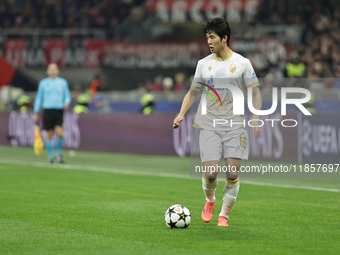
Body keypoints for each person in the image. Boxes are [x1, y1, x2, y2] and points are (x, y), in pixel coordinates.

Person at [173, 18, 262, 227]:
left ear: (224, 38)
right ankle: (210, 200)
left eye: (212, 37)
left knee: (232, 173)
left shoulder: (242, 63)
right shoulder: (203, 65)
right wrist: (181, 114)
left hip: (235, 126)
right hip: (209, 125)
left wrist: (256, 118)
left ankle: (224, 215)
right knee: (211, 172)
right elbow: (192, 93)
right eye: (207, 37)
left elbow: (256, 93)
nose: (209, 42)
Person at [33, 63, 71, 164]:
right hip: (48, 110)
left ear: (58, 71)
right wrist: (36, 111)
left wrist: (66, 102)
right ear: (47, 71)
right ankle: (50, 156)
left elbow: (67, 95)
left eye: (55, 69)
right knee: (49, 134)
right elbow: (39, 98)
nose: (53, 71)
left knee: (60, 133)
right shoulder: (43, 83)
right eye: (51, 69)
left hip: (58, 110)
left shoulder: (63, 83)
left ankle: (59, 153)